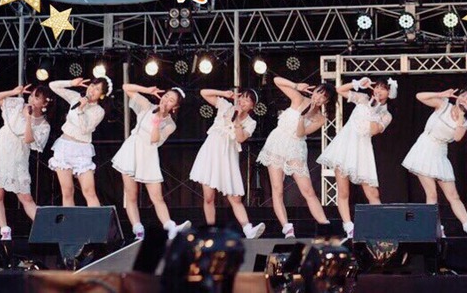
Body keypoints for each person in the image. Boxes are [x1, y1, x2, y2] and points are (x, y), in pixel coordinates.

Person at [402, 87, 467, 237]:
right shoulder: (443, 105)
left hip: (440, 152)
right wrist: (440, 94)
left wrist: (461, 117)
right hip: (425, 148)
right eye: (462, 95)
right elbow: (419, 95)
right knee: (431, 194)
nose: (463, 99)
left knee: (453, 195)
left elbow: (457, 138)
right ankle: (434, 229)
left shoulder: (466, 120)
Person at [317, 77, 396, 239]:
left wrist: (373, 108)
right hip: (345, 146)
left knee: (372, 193)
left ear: (389, 93)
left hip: (363, 151)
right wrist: (358, 83)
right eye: (377, 87)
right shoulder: (363, 98)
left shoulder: (386, 115)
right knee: (343, 190)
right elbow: (340, 90)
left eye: (383, 88)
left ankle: (381, 227)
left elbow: (373, 131)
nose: (378, 91)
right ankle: (349, 226)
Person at [257, 76, 336, 238]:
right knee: (277, 189)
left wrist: (303, 117)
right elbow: (277, 80)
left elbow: (300, 133)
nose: (318, 97)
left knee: (308, 190)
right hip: (277, 142)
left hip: (295, 147)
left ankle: (325, 225)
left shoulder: (320, 118)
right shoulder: (299, 98)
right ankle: (287, 228)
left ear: (326, 101)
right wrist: (296, 84)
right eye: (318, 92)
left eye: (323, 97)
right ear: (314, 91)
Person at [112, 84, 191, 240]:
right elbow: (126, 87)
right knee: (131, 194)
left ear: (175, 107)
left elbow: (154, 140)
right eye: (166, 96)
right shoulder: (147, 105)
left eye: (171, 100)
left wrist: (157, 121)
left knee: (157, 196)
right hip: (132, 150)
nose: (166, 100)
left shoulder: (170, 124)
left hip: (149, 154)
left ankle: (170, 227)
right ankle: (138, 230)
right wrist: (147, 90)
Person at [0, 84, 52, 240]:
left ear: (45, 103)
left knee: (26, 198)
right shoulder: (17, 105)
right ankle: (4, 230)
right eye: (32, 95)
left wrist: (29, 118)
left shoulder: (44, 125)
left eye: (37, 98)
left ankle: (47, 229)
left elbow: (28, 139)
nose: (32, 99)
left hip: (18, 158)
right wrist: (14, 92)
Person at [190, 88, 265, 239]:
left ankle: (248, 229)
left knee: (235, 197)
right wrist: (224, 94)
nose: (243, 102)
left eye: (247, 100)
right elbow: (204, 92)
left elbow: (240, 138)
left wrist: (236, 120)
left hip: (228, 157)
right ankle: (211, 231)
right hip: (211, 153)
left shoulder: (251, 122)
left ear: (252, 106)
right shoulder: (225, 106)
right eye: (242, 98)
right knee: (209, 196)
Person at [49, 76, 111, 207]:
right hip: (64, 146)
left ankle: (96, 220)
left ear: (101, 95)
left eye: (97, 89)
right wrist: (71, 83)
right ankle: (69, 220)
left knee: (89, 192)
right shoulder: (75, 97)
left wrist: (81, 110)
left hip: (82, 150)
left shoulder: (99, 111)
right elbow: (52, 85)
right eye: (92, 85)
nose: (92, 90)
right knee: (67, 191)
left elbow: (85, 129)